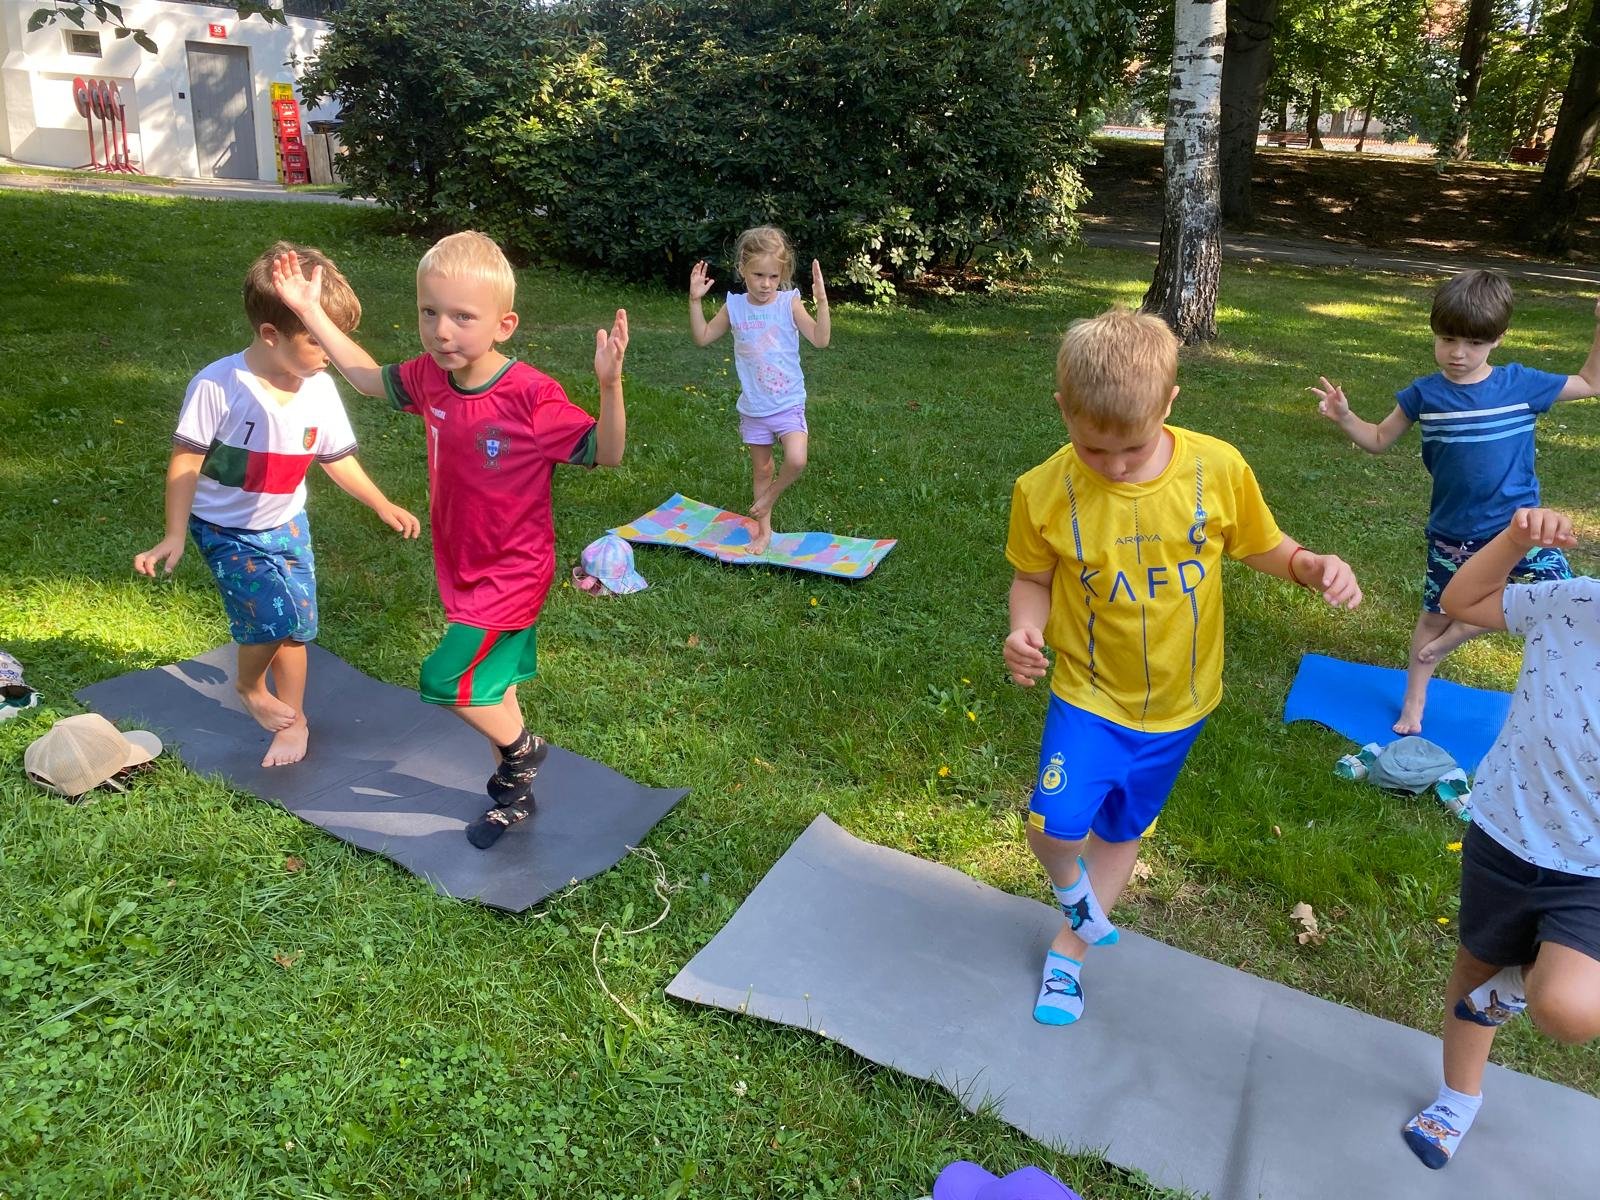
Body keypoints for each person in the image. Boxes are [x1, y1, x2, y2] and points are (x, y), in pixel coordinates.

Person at [1004, 308, 1361, 1026]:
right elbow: (1032, 579)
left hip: (1180, 705)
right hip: (1089, 694)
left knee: (1121, 832)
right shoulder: (1042, 491)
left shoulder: (1216, 469)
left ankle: (1070, 954)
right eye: (1093, 448)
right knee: (1053, 825)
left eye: (1132, 449)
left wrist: (1309, 565)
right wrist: (1024, 627)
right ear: (1063, 409)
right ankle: (1074, 894)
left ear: (1169, 403)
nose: (1114, 467)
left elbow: (1262, 545)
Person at [271, 231, 628, 849]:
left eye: (463, 317)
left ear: (504, 325)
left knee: (445, 681)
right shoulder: (431, 378)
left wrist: (610, 385)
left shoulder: (531, 395)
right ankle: (514, 796)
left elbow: (608, 452)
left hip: (513, 571)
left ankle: (523, 751)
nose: (441, 331)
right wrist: (309, 311)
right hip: (460, 562)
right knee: (494, 686)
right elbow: (366, 377)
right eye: (429, 312)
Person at [133, 242, 419, 768]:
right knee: (272, 618)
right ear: (271, 334)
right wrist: (175, 533)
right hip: (226, 529)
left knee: (297, 628)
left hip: (287, 524)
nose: (330, 352)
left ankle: (295, 721)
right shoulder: (218, 385)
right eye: (316, 339)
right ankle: (249, 687)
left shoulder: (320, 389)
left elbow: (336, 458)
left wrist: (380, 503)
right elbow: (185, 462)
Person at [1311, 270, 1600, 735]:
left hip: (1522, 530)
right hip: (1455, 535)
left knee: (1557, 599)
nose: (1458, 353)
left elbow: (1590, 382)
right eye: (1447, 339)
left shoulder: (1521, 385)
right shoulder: (1424, 394)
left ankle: (1459, 633)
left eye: (1473, 343)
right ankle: (1414, 703)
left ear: (1498, 338)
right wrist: (1345, 417)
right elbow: (1379, 439)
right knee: (1433, 618)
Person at [1402, 507, 1600, 1170]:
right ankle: (1457, 1099)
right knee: (1475, 970)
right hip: (1505, 831)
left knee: (1568, 1009)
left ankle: (1522, 980)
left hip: (1592, 873)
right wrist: (1514, 540)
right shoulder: (1572, 602)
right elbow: (1461, 601)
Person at [689, 225, 829, 555]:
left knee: (796, 459)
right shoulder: (735, 307)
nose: (766, 284)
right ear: (742, 269)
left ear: (783, 273)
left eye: (773, 276)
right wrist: (695, 300)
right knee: (762, 470)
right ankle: (763, 533)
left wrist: (822, 302)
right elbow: (703, 337)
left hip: (788, 402)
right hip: (753, 407)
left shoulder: (788, 303)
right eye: (758, 275)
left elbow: (820, 339)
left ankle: (768, 498)